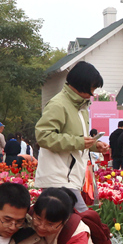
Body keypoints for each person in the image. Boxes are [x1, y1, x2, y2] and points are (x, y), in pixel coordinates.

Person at [34, 61, 109, 212]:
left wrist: (95, 144)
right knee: (84, 220)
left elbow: (78, 138)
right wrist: (79, 142)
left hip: (70, 177)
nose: (93, 93)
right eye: (92, 88)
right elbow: (43, 136)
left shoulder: (81, 106)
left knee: (67, 222)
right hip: (58, 178)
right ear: (81, 84)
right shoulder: (58, 104)